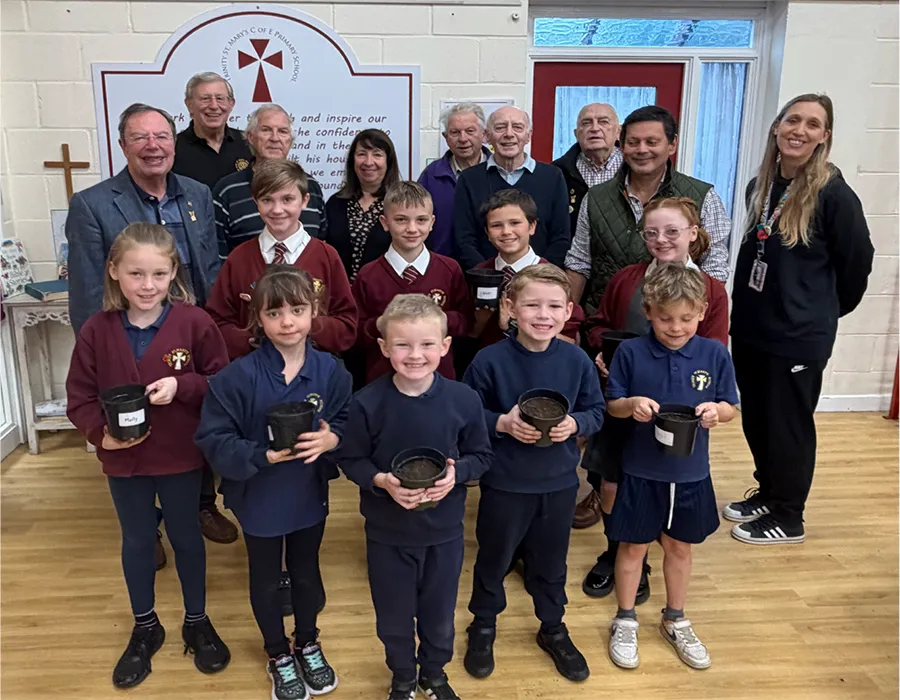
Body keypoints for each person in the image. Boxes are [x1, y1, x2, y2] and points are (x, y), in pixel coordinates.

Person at [65, 223, 231, 689]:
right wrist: (101, 434)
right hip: (125, 463)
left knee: (186, 539)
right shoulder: (98, 331)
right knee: (138, 541)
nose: (147, 285)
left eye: (158, 274)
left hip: (180, 457)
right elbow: (78, 398)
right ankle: (145, 625)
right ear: (114, 272)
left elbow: (221, 381)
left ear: (173, 272)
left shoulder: (194, 323)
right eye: (135, 273)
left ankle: (196, 620)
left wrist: (184, 384)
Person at [66, 102, 230, 553]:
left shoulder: (196, 193)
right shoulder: (92, 205)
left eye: (161, 136)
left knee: (190, 423)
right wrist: (101, 355)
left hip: (190, 335)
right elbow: (85, 290)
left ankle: (200, 505)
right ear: (122, 146)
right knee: (137, 431)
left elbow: (209, 268)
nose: (153, 147)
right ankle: (149, 524)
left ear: (174, 143)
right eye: (140, 138)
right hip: (129, 339)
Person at [196, 266, 352, 700]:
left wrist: (332, 438)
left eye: (297, 310)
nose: (287, 322)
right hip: (260, 496)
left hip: (307, 492)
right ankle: (277, 653)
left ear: (314, 311)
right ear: (257, 319)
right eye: (275, 313)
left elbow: (347, 419)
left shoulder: (331, 372)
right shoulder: (236, 378)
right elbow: (212, 437)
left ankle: (308, 642)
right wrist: (259, 455)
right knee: (266, 578)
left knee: (306, 573)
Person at [725, 93, 874, 545]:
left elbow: (857, 264)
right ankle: (769, 493)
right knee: (760, 418)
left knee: (788, 423)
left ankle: (789, 515)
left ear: (824, 137)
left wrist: (821, 310)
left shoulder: (833, 194)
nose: (800, 130)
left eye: (813, 124)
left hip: (798, 336)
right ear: (776, 126)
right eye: (793, 120)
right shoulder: (761, 186)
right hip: (753, 328)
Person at [340, 294, 493, 700]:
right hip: (387, 533)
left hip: (444, 532)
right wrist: (381, 481)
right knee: (392, 618)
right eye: (403, 345)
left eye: (427, 344)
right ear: (384, 348)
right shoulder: (367, 403)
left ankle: (434, 674)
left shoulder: (464, 400)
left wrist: (458, 474)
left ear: (445, 347)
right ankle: (403, 676)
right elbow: (351, 459)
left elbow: (482, 454)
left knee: (440, 616)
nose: (415, 355)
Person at [578, 196, 730, 599]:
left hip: (676, 415)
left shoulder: (711, 290)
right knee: (612, 485)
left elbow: (713, 350)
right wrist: (601, 352)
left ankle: (645, 556)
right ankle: (620, 554)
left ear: (693, 234)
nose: (661, 239)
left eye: (672, 231)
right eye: (651, 232)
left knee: (661, 486)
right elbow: (600, 323)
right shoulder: (627, 279)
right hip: (625, 400)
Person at [461, 264, 604, 683]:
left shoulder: (576, 361)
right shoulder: (489, 361)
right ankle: (483, 622)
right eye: (532, 305)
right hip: (505, 481)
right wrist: (501, 424)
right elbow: (467, 415)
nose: (543, 314)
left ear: (568, 312)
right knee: (495, 556)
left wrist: (575, 424)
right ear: (510, 307)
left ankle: (552, 625)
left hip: (559, 484)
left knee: (550, 559)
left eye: (554, 306)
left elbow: (596, 411)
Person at [604, 262, 738, 672]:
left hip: (691, 473)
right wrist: (632, 406)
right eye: (665, 318)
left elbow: (731, 406)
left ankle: (675, 617)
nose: (675, 327)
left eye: (685, 318)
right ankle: (625, 618)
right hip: (641, 471)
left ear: (701, 311)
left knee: (681, 546)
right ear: (648, 312)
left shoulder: (715, 354)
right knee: (633, 547)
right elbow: (613, 404)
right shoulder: (630, 352)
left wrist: (717, 411)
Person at [564, 105, 732, 314]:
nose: (642, 150)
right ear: (622, 146)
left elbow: (714, 268)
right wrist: (567, 325)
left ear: (672, 145)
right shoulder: (596, 198)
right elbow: (579, 263)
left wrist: (693, 322)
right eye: (633, 143)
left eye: (652, 142)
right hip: (606, 327)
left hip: (674, 328)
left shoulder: (703, 196)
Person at [206, 158, 358, 360]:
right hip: (253, 373)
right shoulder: (239, 258)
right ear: (255, 202)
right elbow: (217, 323)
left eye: (287, 199)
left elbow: (347, 326)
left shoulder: (327, 256)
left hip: (315, 374)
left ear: (305, 200)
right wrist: (255, 338)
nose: (277, 210)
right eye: (267, 200)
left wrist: (304, 322)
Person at [352, 181, 471, 384]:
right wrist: (380, 324)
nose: (412, 228)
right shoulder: (368, 274)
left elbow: (467, 322)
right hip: (382, 383)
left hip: (440, 381)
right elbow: (354, 333)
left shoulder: (449, 269)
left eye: (421, 220)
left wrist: (437, 319)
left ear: (432, 222)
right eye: (401, 220)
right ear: (384, 222)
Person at [453, 106, 571, 270]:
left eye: (517, 127)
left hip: (540, 280)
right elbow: (464, 239)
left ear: (528, 136)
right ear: (487, 136)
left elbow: (561, 237)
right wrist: (487, 274)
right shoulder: (468, 179)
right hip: (485, 281)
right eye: (500, 127)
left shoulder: (553, 177)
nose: (509, 134)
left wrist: (538, 275)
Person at [470, 189, 583, 348]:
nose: (506, 232)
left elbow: (570, 339)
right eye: (496, 225)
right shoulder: (480, 272)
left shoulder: (552, 277)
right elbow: (469, 334)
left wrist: (513, 326)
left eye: (515, 223)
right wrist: (482, 320)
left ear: (532, 226)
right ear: (487, 233)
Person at [213, 104, 328, 255]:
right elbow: (216, 254)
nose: (275, 138)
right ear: (251, 137)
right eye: (266, 130)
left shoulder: (310, 186)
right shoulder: (227, 190)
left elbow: (322, 244)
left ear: (290, 140)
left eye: (282, 131)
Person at [325, 128, 402, 282]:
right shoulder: (335, 203)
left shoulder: (401, 203)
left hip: (385, 296)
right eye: (361, 154)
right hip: (342, 295)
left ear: (389, 161)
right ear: (353, 160)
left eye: (377, 154)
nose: (368, 162)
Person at [417, 102, 490, 256]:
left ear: (484, 134)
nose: (463, 138)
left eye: (470, 131)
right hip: (443, 266)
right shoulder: (431, 176)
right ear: (445, 137)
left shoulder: (497, 172)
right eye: (455, 132)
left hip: (490, 269)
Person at [553, 103, 623, 240]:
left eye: (603, 122)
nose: (595, 128)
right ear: (576, 133)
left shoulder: (635, 170)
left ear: (618, 132)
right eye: (586, 123)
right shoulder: (557, 172)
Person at [172, 72, 252, 189]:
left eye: (220, 98)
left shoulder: (249, 143)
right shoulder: (172, 148)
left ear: (231, 104)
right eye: (205, 99)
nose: (214, 106)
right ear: (189, 104)